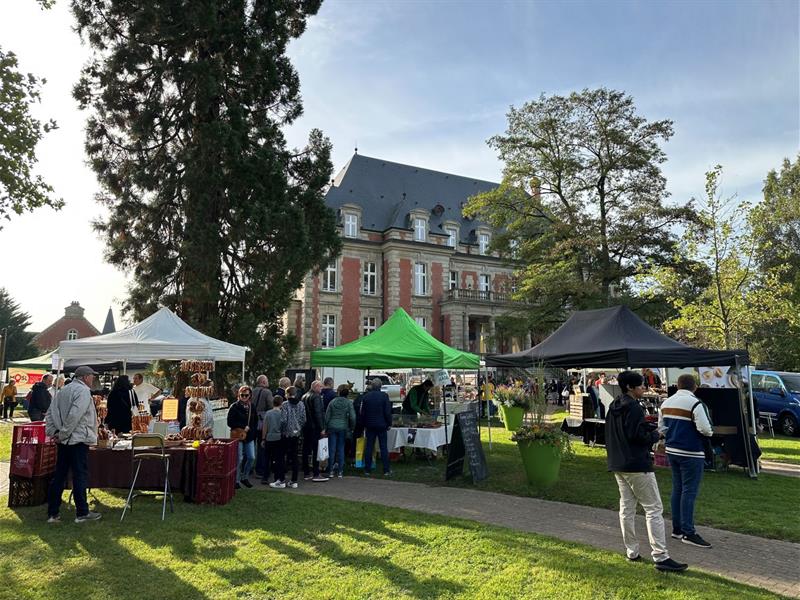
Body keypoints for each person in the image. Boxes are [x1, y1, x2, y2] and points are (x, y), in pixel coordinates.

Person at [605, 370, 687, 572]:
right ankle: (661, 555)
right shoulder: (633, 407)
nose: (644, 388)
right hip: (636, 464)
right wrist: (656, 435)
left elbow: (628, 432)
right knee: (653, 508)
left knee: (627, 508)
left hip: (619, 463)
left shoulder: (614, 406)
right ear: (630, 387)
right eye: (641, 385)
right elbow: (637, 436)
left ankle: (631, 550)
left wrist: (648, 429)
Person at [659, 374, 713, 548]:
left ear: (677, 386)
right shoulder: (695, 403)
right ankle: (688, 531)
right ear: (695, 387)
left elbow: (661, 428)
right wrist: (710, 432)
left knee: (677, 489)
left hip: (672, 450)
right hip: (691, 451)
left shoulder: (666, 403)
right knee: (689, 491)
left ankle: (677, 529)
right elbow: (705, 429)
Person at [45, 365, 102, 523]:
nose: (93, 379)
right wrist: (62, 434)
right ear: (85, 377)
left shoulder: (63, 390)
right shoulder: (82, 391)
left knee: (60, 475)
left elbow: (50, 413)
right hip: (76, 439)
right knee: (79, 476)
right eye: (92, 376)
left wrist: (55, 432)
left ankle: (53, 513)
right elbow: (74, 415)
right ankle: (82, 512)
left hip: (65, 439)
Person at [227, 384, 258, 489]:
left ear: (250, 396)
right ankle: (236, 480)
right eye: (242, 395)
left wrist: (252, 432)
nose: (244, 397)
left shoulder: (252, 407)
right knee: (239, 458)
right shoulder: (234, 407)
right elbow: (230, 422)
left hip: (249, 436)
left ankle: (244, 477)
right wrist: (242, 427)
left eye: (246, 395)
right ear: (238, 395)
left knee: (251, 457)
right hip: (238, 435)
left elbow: (255, 422)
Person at [361, 378, 392, 477]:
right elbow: (387, 412)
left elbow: (362, 413)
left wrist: (364, 424)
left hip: (370, 425)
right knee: (383, 447)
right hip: (382, 424)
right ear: (381, 386)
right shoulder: (384, 396)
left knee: (369, 447)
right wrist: (389, 423)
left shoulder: (366, 396)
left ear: (372, 386)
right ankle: (386, 470)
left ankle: (367, 469)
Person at [277, 386, 306, 488]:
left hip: (286, 434)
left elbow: (283, 420)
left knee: (281, 456)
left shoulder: (285, 404)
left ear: (287, 394)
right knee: (294, 457)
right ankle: (294, 480)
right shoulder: (301, 404)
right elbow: (304, 419)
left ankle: (281, 480)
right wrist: (298, 428)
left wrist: (281, 429)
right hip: (296, 433)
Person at [325, 384, 356, 478]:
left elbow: (327, 416)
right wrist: (352, 427)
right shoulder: (348, 403)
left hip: (332, 426)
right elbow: (353, 417)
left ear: (338, 392)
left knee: (332, 449)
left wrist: (325, 427)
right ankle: (340, 471)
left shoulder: (332, 402)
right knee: (341, 448)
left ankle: (330, 471)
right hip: (343, 427)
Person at [302, 380, 328, 482]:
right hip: (314, 427)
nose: (321, 389)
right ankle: (316, 473)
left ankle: (306, 472)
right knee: (316, 450)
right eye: (320, 387)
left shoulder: (304, 396)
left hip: (306, 426)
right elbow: (318, 413)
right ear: (316, 387)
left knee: (306, 449)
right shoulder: (316, 397)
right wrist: (322, 427)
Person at [252, 374, 274, 478]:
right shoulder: (267, 392)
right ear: (263, 382)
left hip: (252, 422)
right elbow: (271, 406)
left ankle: (248, 469)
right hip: (262, 422)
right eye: (267, 380)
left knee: (251, 445)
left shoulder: (252, 391)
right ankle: (260, 470)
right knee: (262, 445)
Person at [261, 394, 284, 486]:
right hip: (279, 438)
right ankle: (277, 477)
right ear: (281, 404)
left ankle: (265, 477)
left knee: (267, 458)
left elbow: (265, 427)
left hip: (269, 437)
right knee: (278, 459)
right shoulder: (282, 414)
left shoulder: (268, 413)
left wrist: (263, 438)